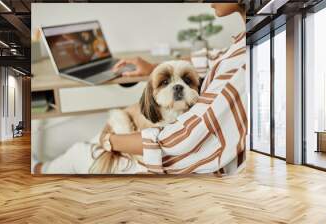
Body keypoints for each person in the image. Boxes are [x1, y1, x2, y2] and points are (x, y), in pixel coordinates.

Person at [33, 3, 247, 175]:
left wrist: (108, 140)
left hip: (181, 162)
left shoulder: (243, 66)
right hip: (150, 135)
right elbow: (211, 59)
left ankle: (38, 170)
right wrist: (154, 67)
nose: (207, 3)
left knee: (79, 152)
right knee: (91, 139)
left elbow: (175, 143)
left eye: (185, 82)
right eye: (166, 83)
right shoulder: (241, 44)